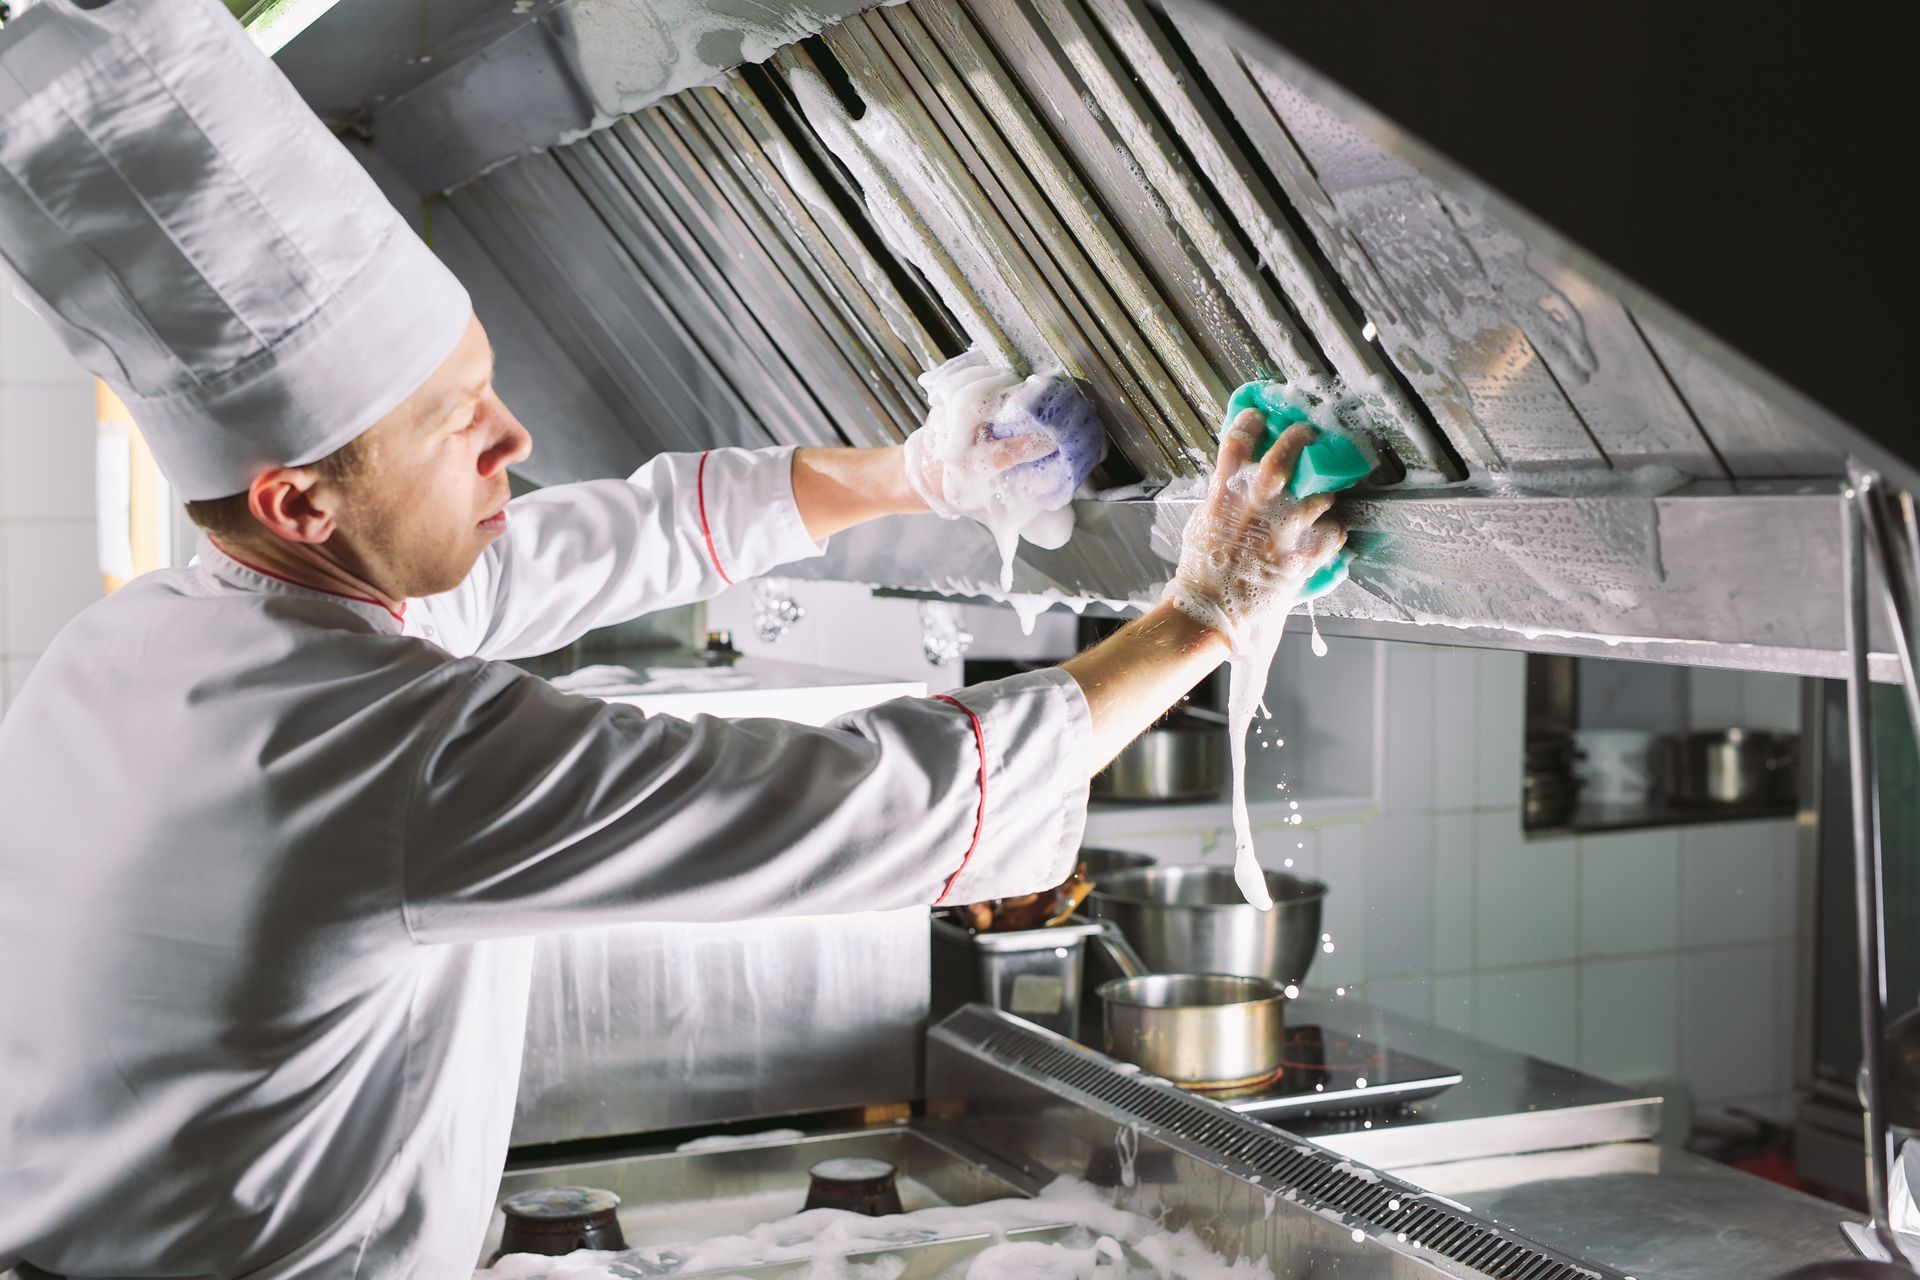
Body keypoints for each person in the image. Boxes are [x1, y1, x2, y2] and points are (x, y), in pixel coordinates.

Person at [0, 0, 1345, 1276]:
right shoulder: (379, 755)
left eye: (485, 384)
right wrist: (1208, 610)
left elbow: (588, 546)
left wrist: (923, 472)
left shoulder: (155, 644)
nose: (512, 439)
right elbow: (870, 808)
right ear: (302, 499)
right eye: (455, 421)